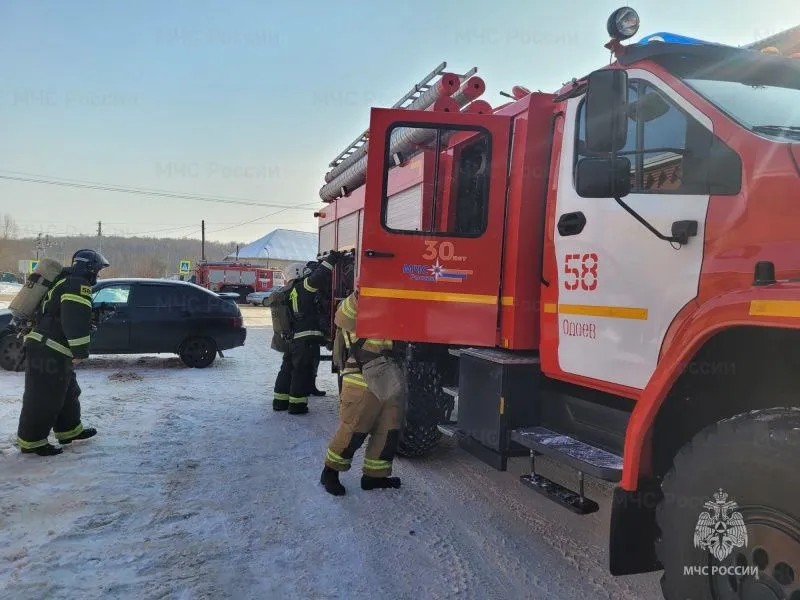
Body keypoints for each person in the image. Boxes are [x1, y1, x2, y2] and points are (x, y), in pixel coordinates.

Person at [16, 249, 110, 456]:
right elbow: (73, 322)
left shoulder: (66, 281)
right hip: (48, 349)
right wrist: (80, 352)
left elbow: (60, 313)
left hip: (51, 347)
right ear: (90, 268)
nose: (98, 275)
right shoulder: (78, 286)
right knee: (43, 396)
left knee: (68, 391)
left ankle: (69, 430)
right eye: (98, 271)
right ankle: (32, 442)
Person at [321, 287, 404, 495]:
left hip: (388, 376)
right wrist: (362, 293)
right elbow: (342, 315)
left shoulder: (396, 306)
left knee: (388, 430)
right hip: (361, 376)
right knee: (354, 428)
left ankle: (374, 477)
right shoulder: (356, 302)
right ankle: (330, 472)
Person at [273, 251, 343, 414]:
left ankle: (280, 401)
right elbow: (318, 277)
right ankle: (297, 405)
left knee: (287, 368)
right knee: (301, 371)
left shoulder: (287, 291)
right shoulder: (303, 287)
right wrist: (331, 260)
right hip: (305, 338)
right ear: (299, 273)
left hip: (291, 338)